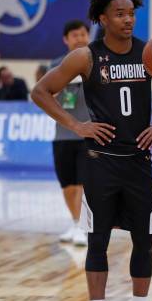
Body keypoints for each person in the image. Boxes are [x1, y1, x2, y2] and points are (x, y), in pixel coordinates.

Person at [32, 0, 152, 301]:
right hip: (100, 163)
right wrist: (77, 125)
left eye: (132, 13)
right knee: (97, 242)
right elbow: (40, 91)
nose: (128, 19)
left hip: (138, 161)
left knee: (143, 241)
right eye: (120, 14)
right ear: (102, 18)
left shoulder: (151, 53)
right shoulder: (86, 57)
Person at [50, 20, 92, 247]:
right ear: (66, 40)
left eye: (83, 34)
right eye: (75, 35)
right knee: (67, 185)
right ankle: (75, 222)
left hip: (88, 134)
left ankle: (82, 227)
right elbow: (48, 94)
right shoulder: (56, 65)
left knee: (84, 183)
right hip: (63, 134)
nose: (80, 38)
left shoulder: (96, 61)